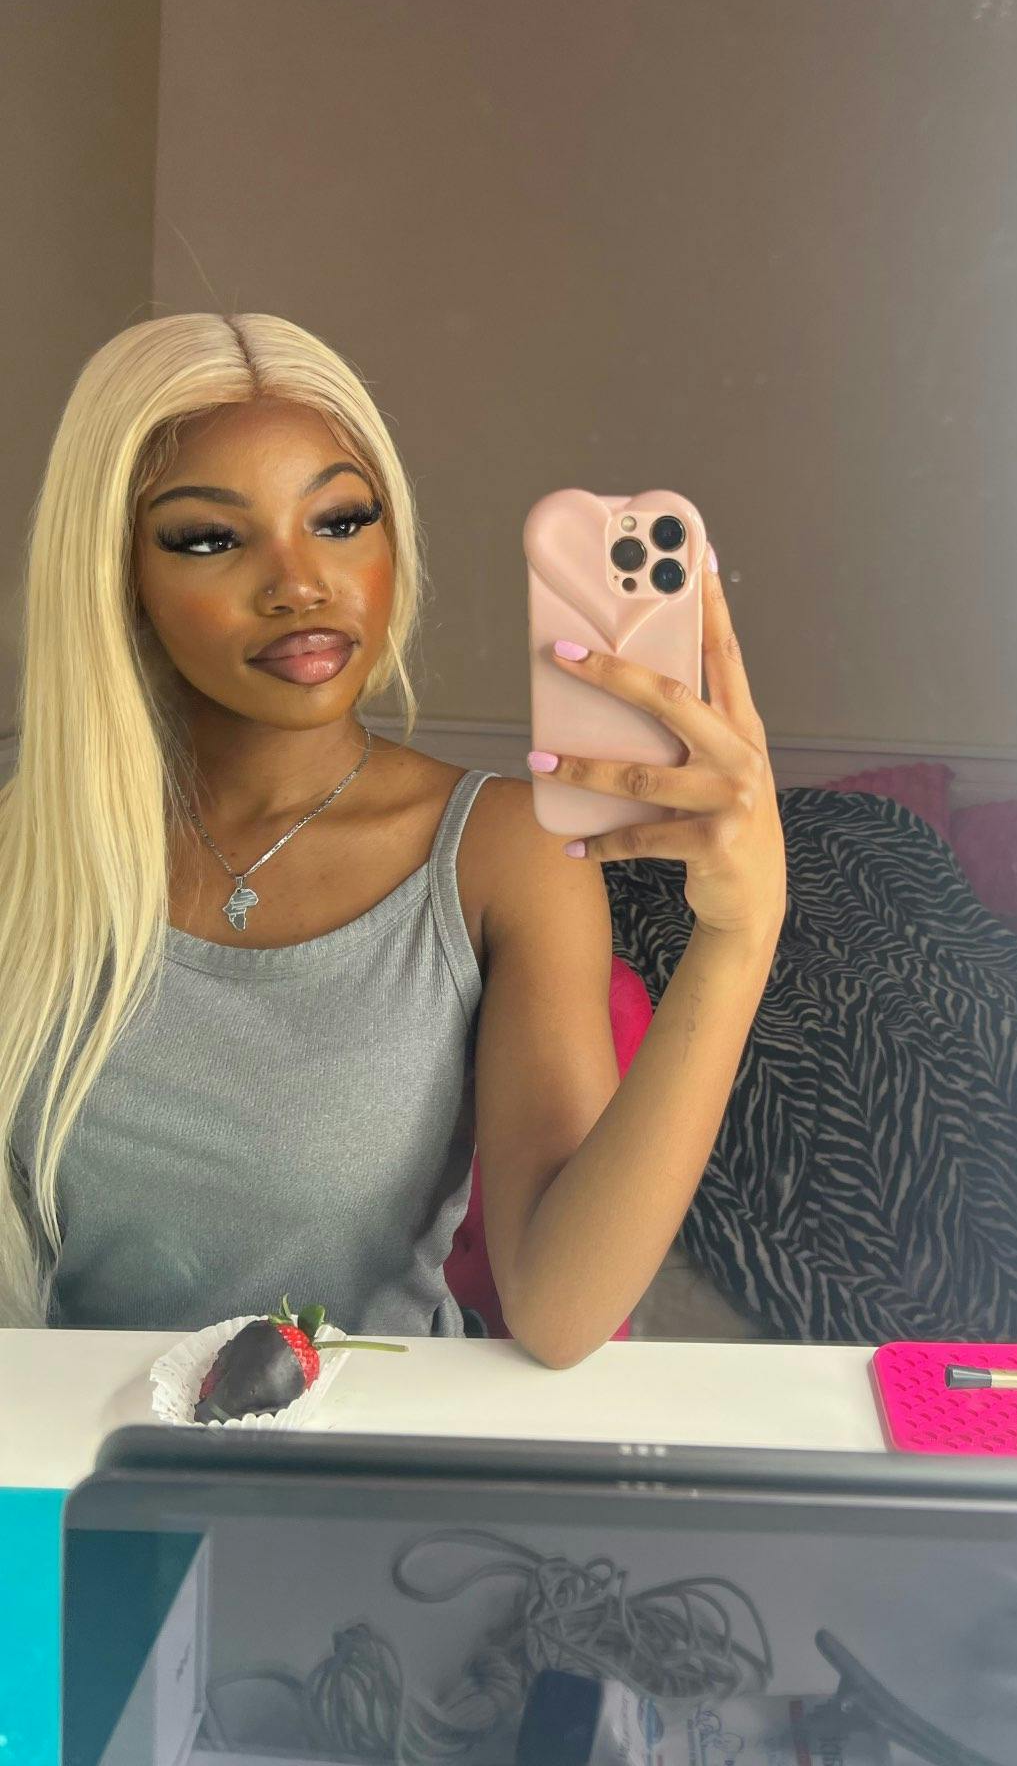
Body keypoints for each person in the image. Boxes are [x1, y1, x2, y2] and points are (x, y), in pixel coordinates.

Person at [0, 313, 786, 1363]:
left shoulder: (499, 854)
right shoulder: (27, 857)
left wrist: (739, 936)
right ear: (116, 578)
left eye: (340, 520)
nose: (298, 583)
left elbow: (561, 1313)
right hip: (65, 1448)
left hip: (362, 1451)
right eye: (211, 538)